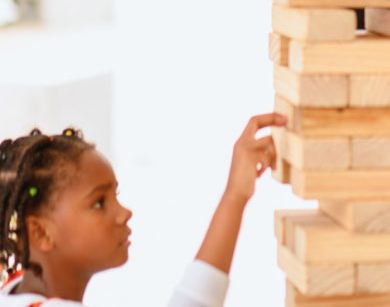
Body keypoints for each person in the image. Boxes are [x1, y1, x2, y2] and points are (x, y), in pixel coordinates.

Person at [0, 112, 285, 306]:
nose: (124, 213)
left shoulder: (13, 290)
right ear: (40, 232)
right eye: (99, 202)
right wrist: (234, 196)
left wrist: (236, 195)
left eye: (116, 195)